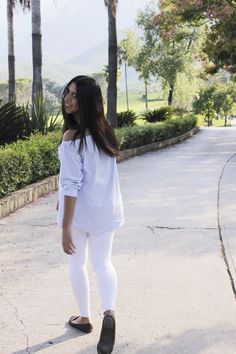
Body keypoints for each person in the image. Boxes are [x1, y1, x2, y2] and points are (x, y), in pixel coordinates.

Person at [57, 75, 124, 354]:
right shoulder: (105, 133)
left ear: (86, 101)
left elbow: (72, 185)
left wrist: (65, 226)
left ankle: (84, 318)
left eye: (74, 95)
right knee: (103, 262)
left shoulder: (72, 138)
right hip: (106, 210)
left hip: (80, 213)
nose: (67, 99)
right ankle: (109, 312)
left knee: (77, 262)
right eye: (67, 93)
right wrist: (59, 200)